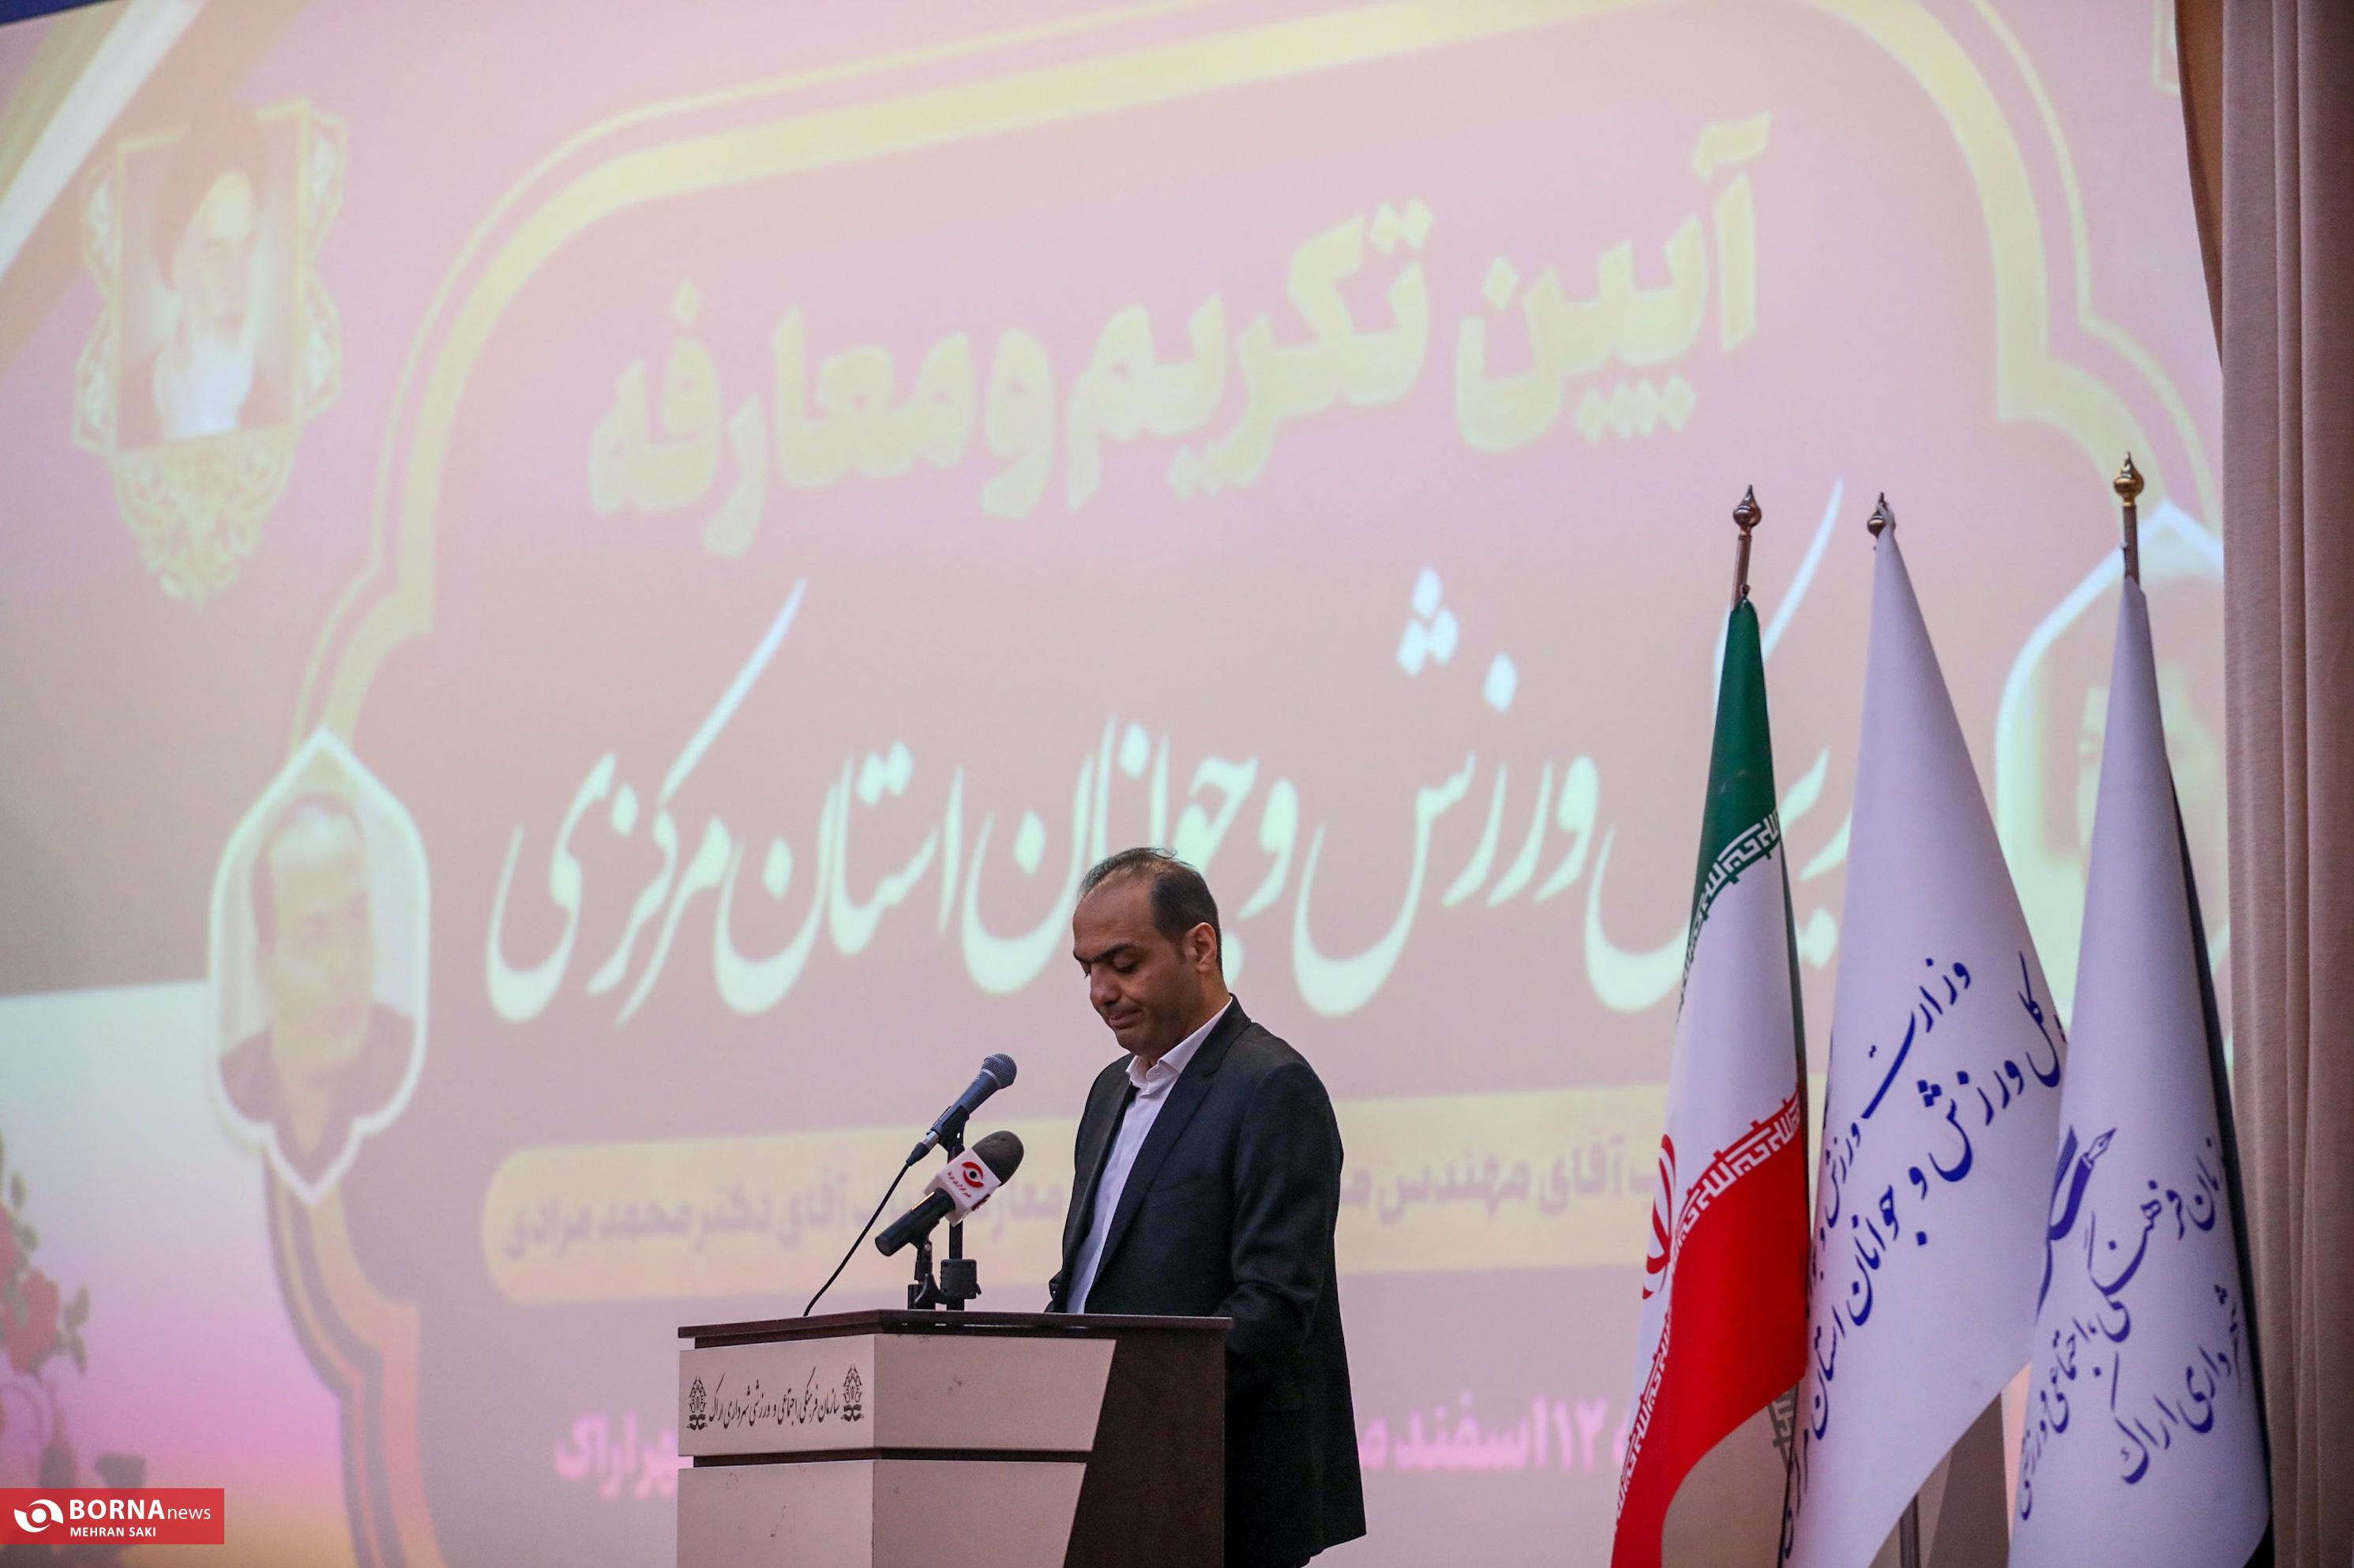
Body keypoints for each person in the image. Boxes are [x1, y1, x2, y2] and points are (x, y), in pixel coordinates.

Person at [1049, 847, 1365, 1568]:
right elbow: (1094, 1276)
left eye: (1123, 964)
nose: (1100, 992)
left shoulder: (1271, 1087)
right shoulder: (1109, 1091)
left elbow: (1272, 1305)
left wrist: (1129, 1403)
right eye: (1087, 970)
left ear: (1199, 947)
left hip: (1220, 1489)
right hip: (1110, 1477)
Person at [220, 793, 412, 1193]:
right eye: (314, 935)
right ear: (266, 971)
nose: (346, 967)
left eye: (357, 916)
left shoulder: (410, 1062)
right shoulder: (231, 1091)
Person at [121, 109, 280, 448]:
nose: (236, 284)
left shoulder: (270, 414)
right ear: (178, 266)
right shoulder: (128, 405)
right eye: (216, 252)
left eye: (246, 248)